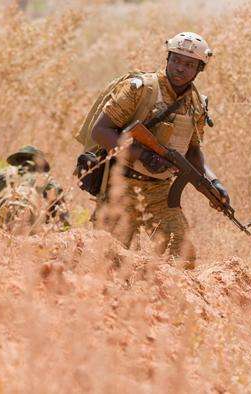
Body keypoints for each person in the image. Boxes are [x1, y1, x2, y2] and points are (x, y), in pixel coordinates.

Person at [89, 32, 229, 262]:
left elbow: (193, 151)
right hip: (120, 186)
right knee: (110, 263)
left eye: (189, 64)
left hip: (160, 193)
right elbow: (101, 131)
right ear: (167, 59)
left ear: (199, 69)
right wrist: (142, 154)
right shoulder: (140, 89)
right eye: (176, 60)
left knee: (183, 256)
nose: (180, 68)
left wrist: (214, 184)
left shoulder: (196, 105)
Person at [0, 145, 68, 232]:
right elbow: (62, 217)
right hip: (32, 234)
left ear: (17, 160)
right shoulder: (48, 181)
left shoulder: (1, 175)